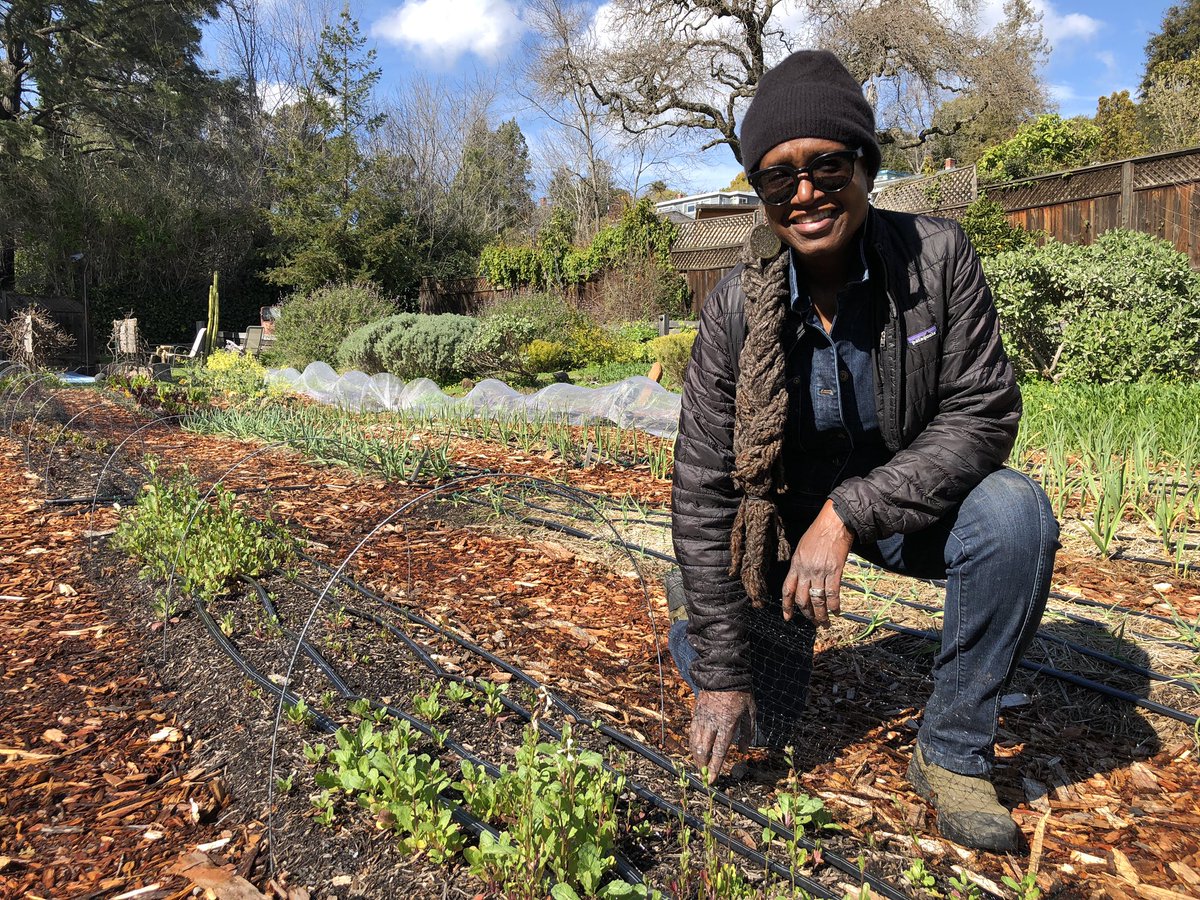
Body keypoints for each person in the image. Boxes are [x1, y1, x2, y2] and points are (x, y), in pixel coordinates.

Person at [668, 49, 1059, 853]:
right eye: (779, 178)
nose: (805, 193)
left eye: (827, 166)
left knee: (1015, 514)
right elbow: (704, 488)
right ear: (762, 196)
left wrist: (850, 511)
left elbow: (983, 411)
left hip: (901, 512)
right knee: (760, 730)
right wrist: (721, 675)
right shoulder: (738, 305)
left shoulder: (937, 258)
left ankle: (951, 754)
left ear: (867, 168)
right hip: (779, 527)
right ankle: (711, 638)